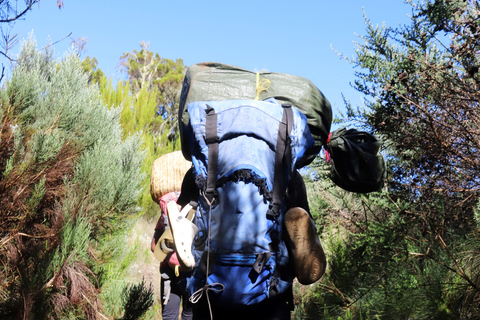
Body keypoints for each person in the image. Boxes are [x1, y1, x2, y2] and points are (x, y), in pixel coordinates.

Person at [151, 191, 193, 320]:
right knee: (189, 315)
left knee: (169, 316)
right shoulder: (199, 210)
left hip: (169, 273)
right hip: (192, 273)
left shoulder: (168, 210)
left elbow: (153, 246)